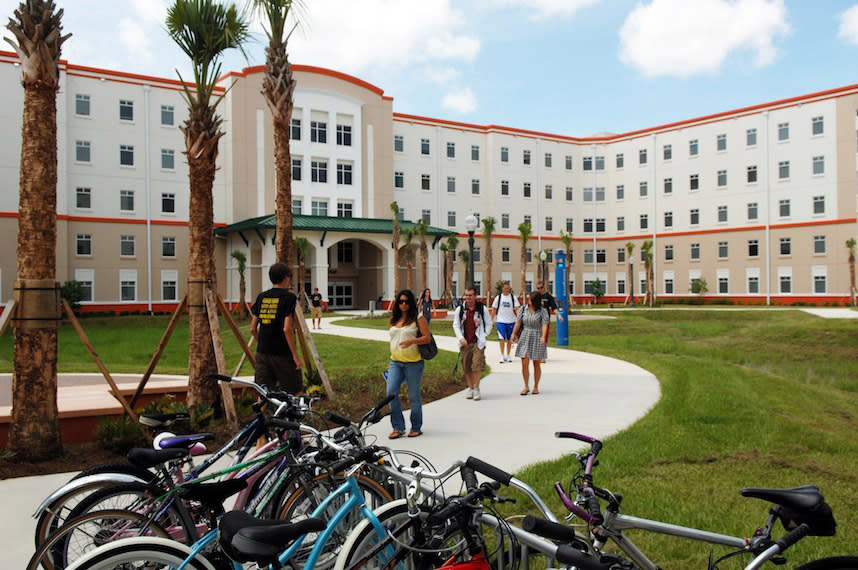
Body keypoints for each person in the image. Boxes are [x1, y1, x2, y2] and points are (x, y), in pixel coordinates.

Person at [250, 263, 303, 395]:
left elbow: (252, 328)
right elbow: (286, 329)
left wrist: (262, 342)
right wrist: (295, 356)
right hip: (282, 354)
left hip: (262, 353)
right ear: (286, 278)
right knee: (294, 391)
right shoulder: (289, 297)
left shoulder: (261, 296)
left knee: (263, 394)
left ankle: (263, 416)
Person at [386, 289, 432, 439]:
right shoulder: (394, 318)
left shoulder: (418, 318)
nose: (403, 304)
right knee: (391, 394)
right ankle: (398, 427)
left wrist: (412, 340)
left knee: (413, 396)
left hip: (413, 363)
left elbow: (427, 338)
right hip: (395, 362)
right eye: (400, 301)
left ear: (411, 302)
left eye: (406, 301)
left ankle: (416, 427)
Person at [452, 287, 493, 401]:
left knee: (477, 365)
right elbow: (455, 325)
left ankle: (476, 388)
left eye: (470, 295)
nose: (468, 298)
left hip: (477, 342)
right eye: (466, 295)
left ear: (475, 296)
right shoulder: (460, 310)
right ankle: (470, 388)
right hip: (465, 343)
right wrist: (460, 338)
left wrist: (484, 335)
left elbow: (489, 324)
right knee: (466, 366)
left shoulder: (481, 309)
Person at [511, 292, 549, 396]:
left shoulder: (543, 311)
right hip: (525, 335)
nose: (528, 301)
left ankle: (536, 386)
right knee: (524, 361)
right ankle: (526, 386)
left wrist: (543, 336)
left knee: (536, 363)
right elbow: (518, 322)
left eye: (531, 299)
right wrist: (513, 334)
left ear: (535, 301)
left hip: (537, 336)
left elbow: (545, 324)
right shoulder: (523, 309)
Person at [490, 281, 520, 363]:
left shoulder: (513, 298)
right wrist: (491, 320)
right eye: (505, 288)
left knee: (510, 339)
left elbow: (517, 309)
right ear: (502, 288)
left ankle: (508, 355)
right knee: (501, 338)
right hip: (501, 321)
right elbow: (494, 309)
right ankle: (502, 355)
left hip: (511, 321)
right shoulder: (498, 298)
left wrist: (519, 318)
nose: (506, 289)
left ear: (509, 288)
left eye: (507, 288)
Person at [536, 281, 563, 359]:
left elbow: (554, 308)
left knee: (544, 337)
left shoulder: (548, 297)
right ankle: (536, 354)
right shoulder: (535, 296)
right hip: (536, 320)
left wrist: (559, 315)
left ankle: (542, 356)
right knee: (536, 337)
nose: (539, 289)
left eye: (541, 288)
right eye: (538, 288)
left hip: (545, 320)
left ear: (544, 287)